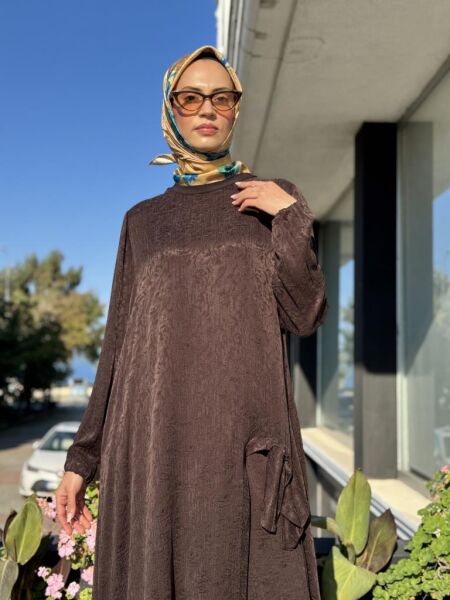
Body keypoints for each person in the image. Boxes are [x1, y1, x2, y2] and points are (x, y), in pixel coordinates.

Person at [55, 44, 329, 600]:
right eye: (191, 97)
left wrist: (291, 217)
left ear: (236, 109)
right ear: (170, 109)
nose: (207, 108)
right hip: (152, 444)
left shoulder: (271, 201)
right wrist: (81, 459)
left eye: (222, 98)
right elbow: (118, 344)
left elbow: (304, 315)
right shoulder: (143, 222)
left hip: (241, 442)